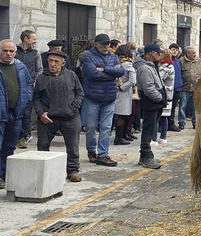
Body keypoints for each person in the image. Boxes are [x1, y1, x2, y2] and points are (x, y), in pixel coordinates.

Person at [34, 50, 84, 183]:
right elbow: (36, 98)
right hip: (48, 118)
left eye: (56, 61)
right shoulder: (41, 77)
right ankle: (43, 171)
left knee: (73, 146)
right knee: (43, 145)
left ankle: (73, 170)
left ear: (63, 63)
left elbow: (80, 93)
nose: (52, 64)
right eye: (50, 61)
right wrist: (41, 113)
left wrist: (73, 108)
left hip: (70, 117)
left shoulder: (71, 75)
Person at [80, 34, 124, 167]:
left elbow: (121, 71)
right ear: (96, 43)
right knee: (91, 127)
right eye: (103, 44)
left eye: (108, 44)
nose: (106, 47)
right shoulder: (87, 56)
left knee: (106, 128)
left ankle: (103, 155)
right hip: (92, 97)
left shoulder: (113, 56)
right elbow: (92, 74)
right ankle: (92, 151)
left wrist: (104, 69)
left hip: (109, 97)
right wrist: (111, 74)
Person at [0, 40, 33, 189]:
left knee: (10, 146)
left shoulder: (21, 67)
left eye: (11, 51)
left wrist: (26, 103)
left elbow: (28, 85)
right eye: (5, 50)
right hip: (1, 114)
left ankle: (4, 175)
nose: (8, 54)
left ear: (15, 52)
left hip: (16, 114)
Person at [133, 44, 166, 169]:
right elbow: (148, 88)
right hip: (151, 102)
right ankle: (146, 156)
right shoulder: (145, 68)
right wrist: (160, 98)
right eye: (157, 53)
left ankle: (146, 156)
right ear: (149, 53)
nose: (159, 55)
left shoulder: (152, 66)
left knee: (151, 128)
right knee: (148, 129)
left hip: (155, 102)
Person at [15, 30, 42, 149]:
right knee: (14, 111)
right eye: (34, 38)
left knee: (26, 112)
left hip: (28, 86)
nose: (36, 41)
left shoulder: (36, 53)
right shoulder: (14, 51)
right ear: (26, 39)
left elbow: (39, 70)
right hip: (14, 85)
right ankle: (14, 135)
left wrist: (34, 83)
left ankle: (24, 137)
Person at [113, 45, 136, 145]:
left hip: (120, 92)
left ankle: (122, 135)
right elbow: (132, 80)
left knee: (123, 115)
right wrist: (122, 87)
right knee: (122, 116)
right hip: (124, 92)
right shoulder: (128, 65)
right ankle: (119, 137)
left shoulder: (118, 64)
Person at [178, 46, 201, 130]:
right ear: (187, 54)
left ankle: (195, 123)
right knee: (182, 106)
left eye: (195, 53)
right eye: (193, 53)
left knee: (195, 107)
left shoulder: (198, 60)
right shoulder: (181, 61)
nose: (195, 54)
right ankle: (181, 122)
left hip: (196, 88)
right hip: (184, 87)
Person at [155, 49, 175, 146]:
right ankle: (162, 137)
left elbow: (158, 79)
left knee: (161, 117)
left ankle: (158, 137)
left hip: (165, 94)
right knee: (162, 117)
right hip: (166, 94)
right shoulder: (165, 65)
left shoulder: (167, 67)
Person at [167, 43, 183, 132]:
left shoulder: (177, 61)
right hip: (169, 88)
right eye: (173, 49)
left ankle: (171, 123)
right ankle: (166, 124)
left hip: (177, 88)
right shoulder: (167, 60)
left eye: (176, 50)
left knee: (173, 108)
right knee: (168, 107)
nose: (175, 51)